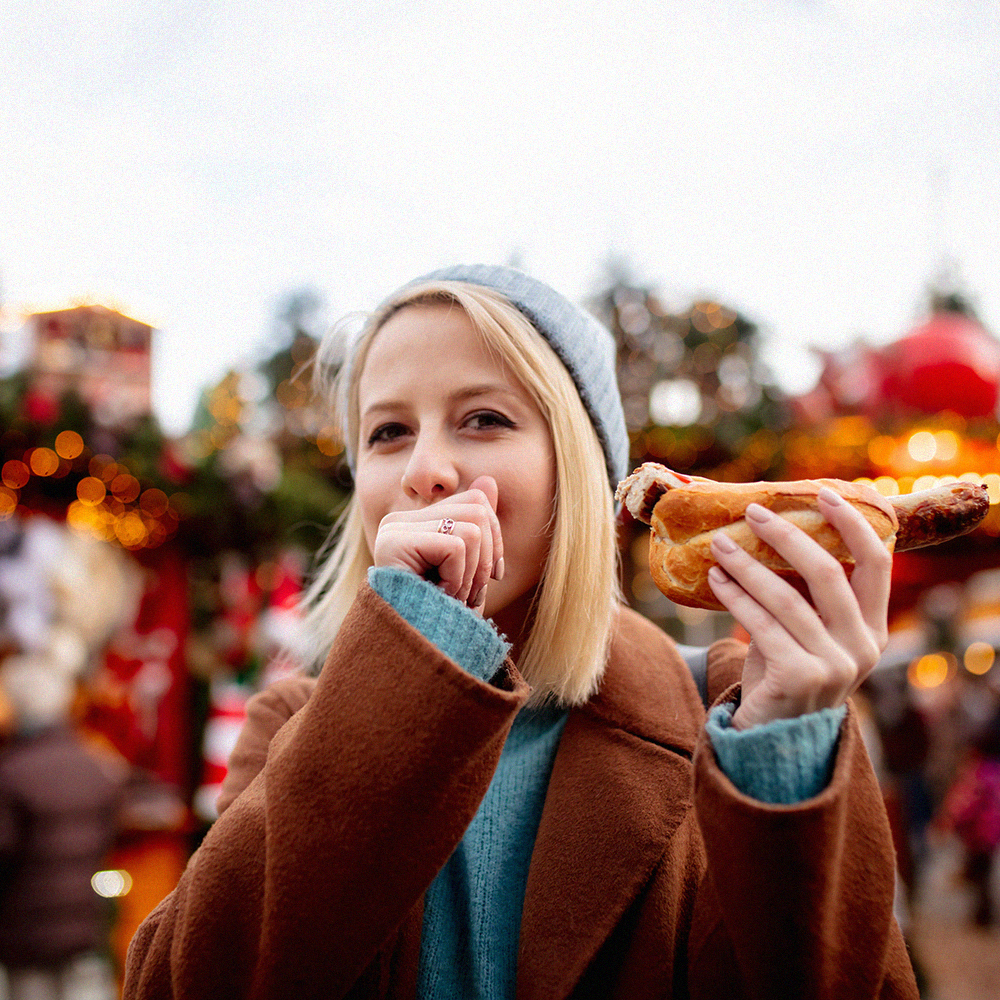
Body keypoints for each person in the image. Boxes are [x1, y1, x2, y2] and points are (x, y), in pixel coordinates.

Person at [123, 265, 918, 999]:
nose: (424, 470)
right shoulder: (290, 723)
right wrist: (399, 677)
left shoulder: (730, 707)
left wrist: (781, 760)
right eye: (388, 432)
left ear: (579, 473)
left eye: (483, 419)